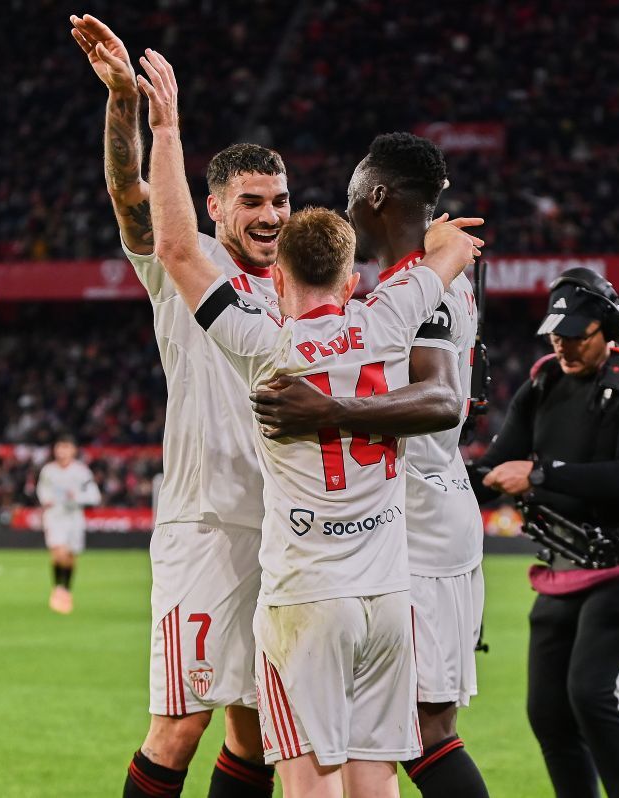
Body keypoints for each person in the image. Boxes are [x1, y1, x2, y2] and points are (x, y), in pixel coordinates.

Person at [135, 47, 483, 798]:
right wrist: (448, 245)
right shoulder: (389, 318)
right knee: (374, 774)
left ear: (279, 279)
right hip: (387, 595)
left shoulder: (267, 353)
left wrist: (164, 126)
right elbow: (442, 263)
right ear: (352, 277)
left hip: (305, 596)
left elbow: (171, 245)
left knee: (308, 781)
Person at [71, 14, 285, 797]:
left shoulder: (303, 287)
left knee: (257, 729)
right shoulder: (184, 268)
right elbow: (131, 196)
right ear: (216, 207)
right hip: (204, 525)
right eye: (253, 201)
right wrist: (126, 104)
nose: (270, 216)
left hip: (288, 532)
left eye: (280, 200)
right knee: (180, 724)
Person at [250, 133, 490, 797]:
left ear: (378, 196)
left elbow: (443, 399)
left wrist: (325, 409)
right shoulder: (413, 283)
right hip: (398, 537)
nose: (347, 209)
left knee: (423, 734)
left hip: (420, 538)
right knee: (374, 745)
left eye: (354, 195)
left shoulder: (427, 289)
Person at [471, 268, 619, 798]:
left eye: (576, 335)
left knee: (592, 693)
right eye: (556, 334)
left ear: (608, 329)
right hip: (565, 561)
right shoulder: (543, 382)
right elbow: (496, 469)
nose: (564, 345)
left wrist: (541, 475)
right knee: (547, 711)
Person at [36, 435, 102, 614]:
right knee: (59, 553)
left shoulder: (81, 472)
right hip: (55, 517)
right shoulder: (48, 471)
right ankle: (58, 590)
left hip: (74, 518)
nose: (61, 451)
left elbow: (94, 496)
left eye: (66, 447)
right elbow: (42, 490)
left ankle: (65, 590)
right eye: (59, 447)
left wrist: (77, 497)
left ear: (73, 450)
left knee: (70, 557)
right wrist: (45, 500)